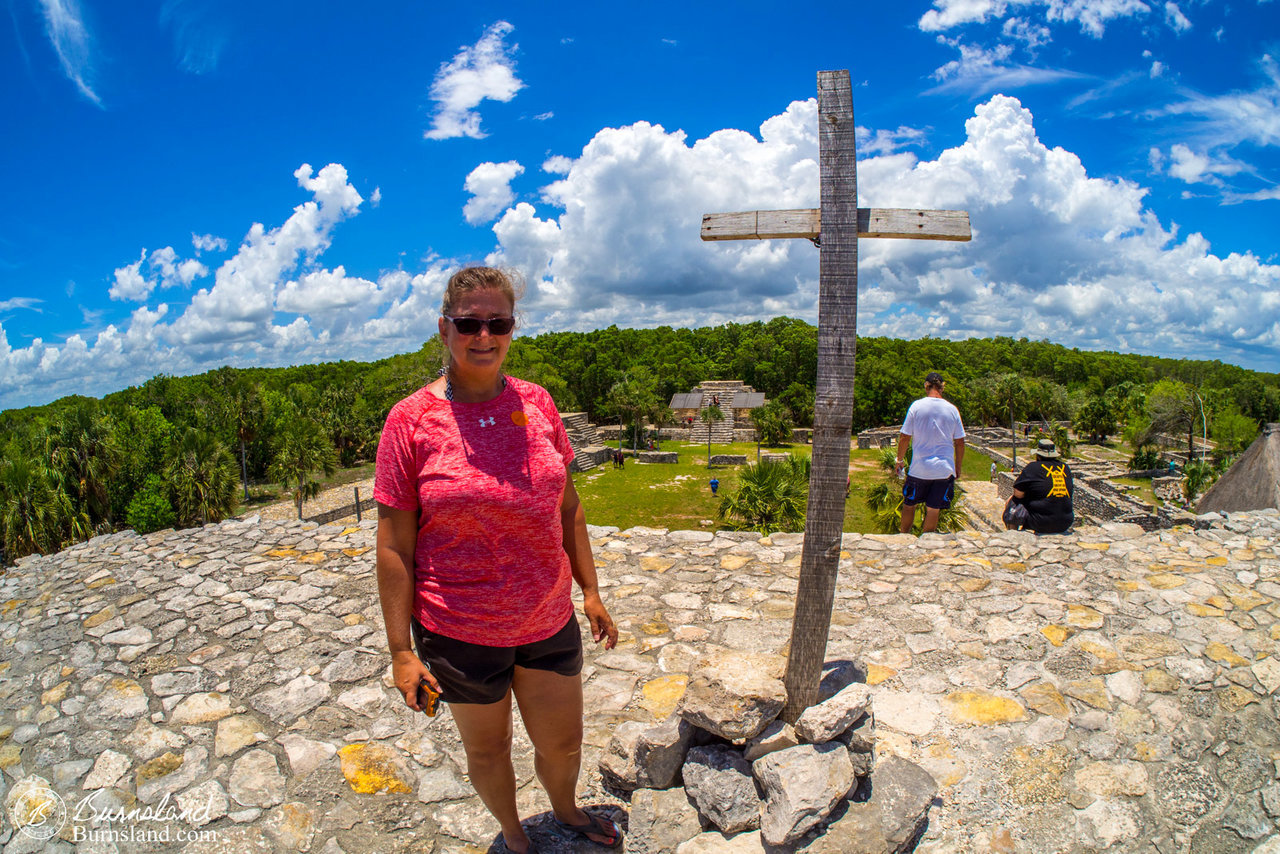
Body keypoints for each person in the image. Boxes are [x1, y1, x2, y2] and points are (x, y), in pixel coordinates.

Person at [374, 267, 621, 854]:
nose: (484, 335)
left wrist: (589, 590)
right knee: (487, 750)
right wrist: (402, 651)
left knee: (562, 744)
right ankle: (514, 835)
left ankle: (565, 810)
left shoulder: (537, 403)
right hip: (459, 630)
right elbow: (393, 546)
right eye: (469, 323)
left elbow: (569, 508)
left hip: (546, 617)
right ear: (444, 328)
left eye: (498, 322)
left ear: (513, 328)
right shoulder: (409, 421)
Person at [895, 371, 965, 534]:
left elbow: (905, 437)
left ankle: (904, 537)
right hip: (943, 469)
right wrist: (958, 466)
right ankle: (926, 542)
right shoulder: (952, 409)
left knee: (909, 504)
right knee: (933, 509)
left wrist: (899, 459)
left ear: (926, 386)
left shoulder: (917, 406)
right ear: (942, 387)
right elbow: (960, 442)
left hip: (920, 467)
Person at [1006, 439, 1074, 534]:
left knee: (1013, 501)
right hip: (1066, 522)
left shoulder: (1033, 467)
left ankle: (1012, 535)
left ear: (1038, 455)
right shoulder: (1065, 467)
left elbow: (1018, 494)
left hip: (1040, 522)